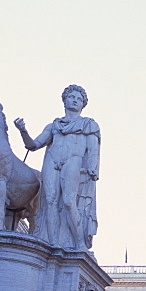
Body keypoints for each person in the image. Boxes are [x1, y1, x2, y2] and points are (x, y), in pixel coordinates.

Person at [14, 84, 100, 250]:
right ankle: (52, 245)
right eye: (71, 97)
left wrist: (92, 168)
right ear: (64, 100)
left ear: (83, 104)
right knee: (50, 201)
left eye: (79, 99)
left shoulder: (89, 124)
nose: (75, 101)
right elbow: (33, 145)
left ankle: (80, 244)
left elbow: (93, 150)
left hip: (73, 161)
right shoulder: (53, 126)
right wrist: (23, 131)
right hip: (52, 162)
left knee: (69, 201)